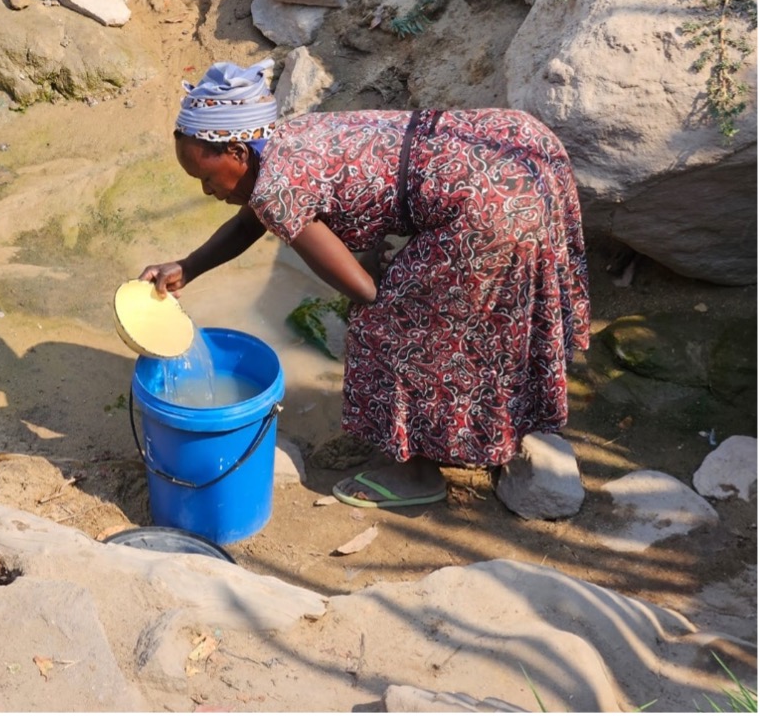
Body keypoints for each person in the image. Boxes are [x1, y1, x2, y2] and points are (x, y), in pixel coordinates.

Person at [139, 57, 590, 509]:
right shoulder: (284, 140)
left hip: (491, 201)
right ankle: (502, 422)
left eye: (205, 176)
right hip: (522, 148)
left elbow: (362, 290)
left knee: (386, 322)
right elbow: (255, 219)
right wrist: (188, 266)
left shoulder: (276, 187)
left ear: (237, 153)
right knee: (484, 308)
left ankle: (416, 471)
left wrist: (382, 282)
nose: (206, 191)